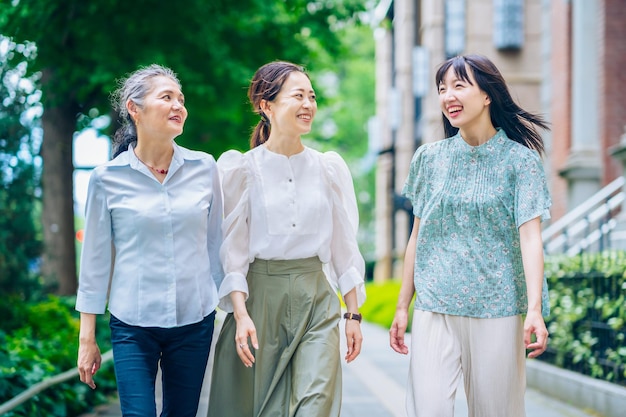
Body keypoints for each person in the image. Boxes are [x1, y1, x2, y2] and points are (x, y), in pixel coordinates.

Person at [389, 54, 552, 417]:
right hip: (435, 305)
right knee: (426, 409)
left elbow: (531, 239)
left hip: (499, 307)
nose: (448, 96)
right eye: (442, 88)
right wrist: (403, 306)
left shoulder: (520, 162)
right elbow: (418, 236)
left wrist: (535, 310)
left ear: (488, 95)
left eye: (459, 86)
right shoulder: (428, 159)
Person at [207, 61, 366, 417]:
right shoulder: (241, 170)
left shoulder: (328, 169)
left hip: (318, 301)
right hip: (260, 299)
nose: (308, 104)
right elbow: (233, 251)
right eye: (298, 96)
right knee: (263, 408)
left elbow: (344, 247)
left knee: (315, 405)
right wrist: (241, 313)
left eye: (312, 96)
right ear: (267, 105)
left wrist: (353, 315)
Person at [75, 64, 224, 417]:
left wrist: (235, 311)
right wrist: (87, 337)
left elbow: (217, 246)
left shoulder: (205, 168)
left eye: (181, 99)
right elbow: (95, 261)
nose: (179, 106)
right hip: (132, 324)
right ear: (134, 108)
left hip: (194, 318)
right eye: (167, 97)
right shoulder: (106, 178)